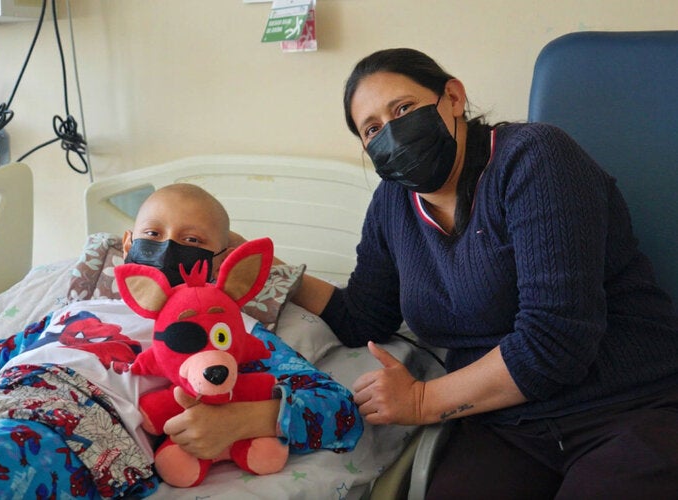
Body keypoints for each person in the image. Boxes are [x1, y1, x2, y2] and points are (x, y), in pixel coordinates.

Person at [233, 48, 678, 498]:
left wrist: (423, 401)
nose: (392, 133)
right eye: (372, 129)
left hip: (628, 407)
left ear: (453, 97)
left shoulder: (535, 158)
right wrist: (265, 268)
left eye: (403, 108)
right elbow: (363, 318)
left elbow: (555, 343)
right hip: (507, 426)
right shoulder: (391, 205)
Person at [0, 183, 363, 498]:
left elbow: (337, 410)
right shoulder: (73, 312)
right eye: (152, 234)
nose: (167, 246)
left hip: (64, 436)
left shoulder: (228, 332)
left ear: (219, 260)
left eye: (191, 238)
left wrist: (247, 419)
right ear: (127, 246)